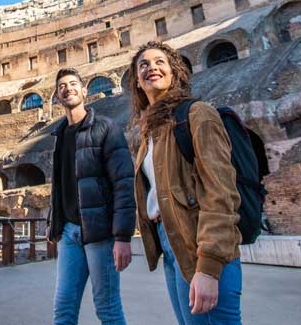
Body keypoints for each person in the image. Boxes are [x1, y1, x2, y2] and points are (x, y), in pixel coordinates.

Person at [129, 41, 242, 325]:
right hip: (172, 246)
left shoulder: (197, 113)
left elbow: (220, 191)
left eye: (160, 62)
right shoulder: (148, 134)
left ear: (174, 73)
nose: (151, 67)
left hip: (202, 244)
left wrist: (209, 266)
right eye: (143, 65)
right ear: (138, 83)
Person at [48, 67, 136, 325]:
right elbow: (61, 183)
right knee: (63, 308)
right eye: (62, 85)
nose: (68, 88)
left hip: (100, 233)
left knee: (107, 308)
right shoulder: (59, 134)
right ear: (56, 95)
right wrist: (54, 220)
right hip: (69, 233)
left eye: (73, 83)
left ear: (85, 90)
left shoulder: (106, 128)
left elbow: (123, 182)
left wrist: (123, 236)